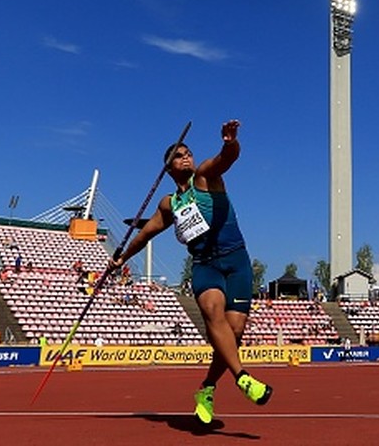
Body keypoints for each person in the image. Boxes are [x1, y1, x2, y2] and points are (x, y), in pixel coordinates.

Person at [111, 119, 272, 425]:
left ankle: (207, 389)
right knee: (213, 310)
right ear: (168, 169)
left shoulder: (205, 178)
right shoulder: (170, 204)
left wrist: (229, 142)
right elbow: (144, 235)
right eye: (178, 155)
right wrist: (121, 259)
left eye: (188, 152)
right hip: (205, 265)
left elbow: (227, 158)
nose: (186, 156)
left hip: (236, 260)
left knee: (234, 333)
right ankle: (242, 377)